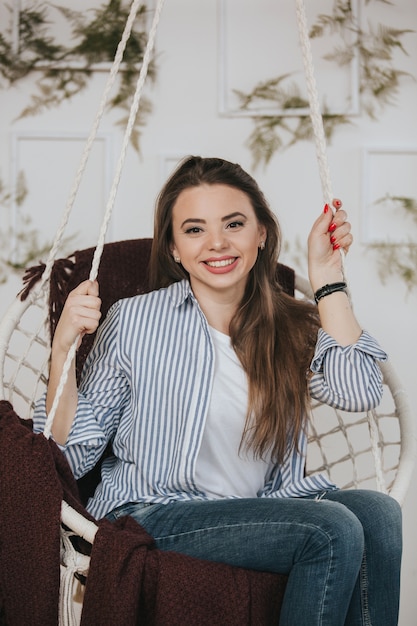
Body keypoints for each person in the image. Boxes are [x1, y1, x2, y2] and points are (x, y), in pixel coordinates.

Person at [33, 156, 402, 625]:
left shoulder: (290, 323)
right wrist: (62, 351)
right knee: (330, 529)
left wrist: (327, 279)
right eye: (194, 229)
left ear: (261, 233)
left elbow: (359, 391)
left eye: (234, 223)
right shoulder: (134, 321)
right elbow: (71, 454)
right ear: (173, 247)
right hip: (154, 511)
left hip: (265, 511)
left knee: (378, 514)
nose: (217, 243)